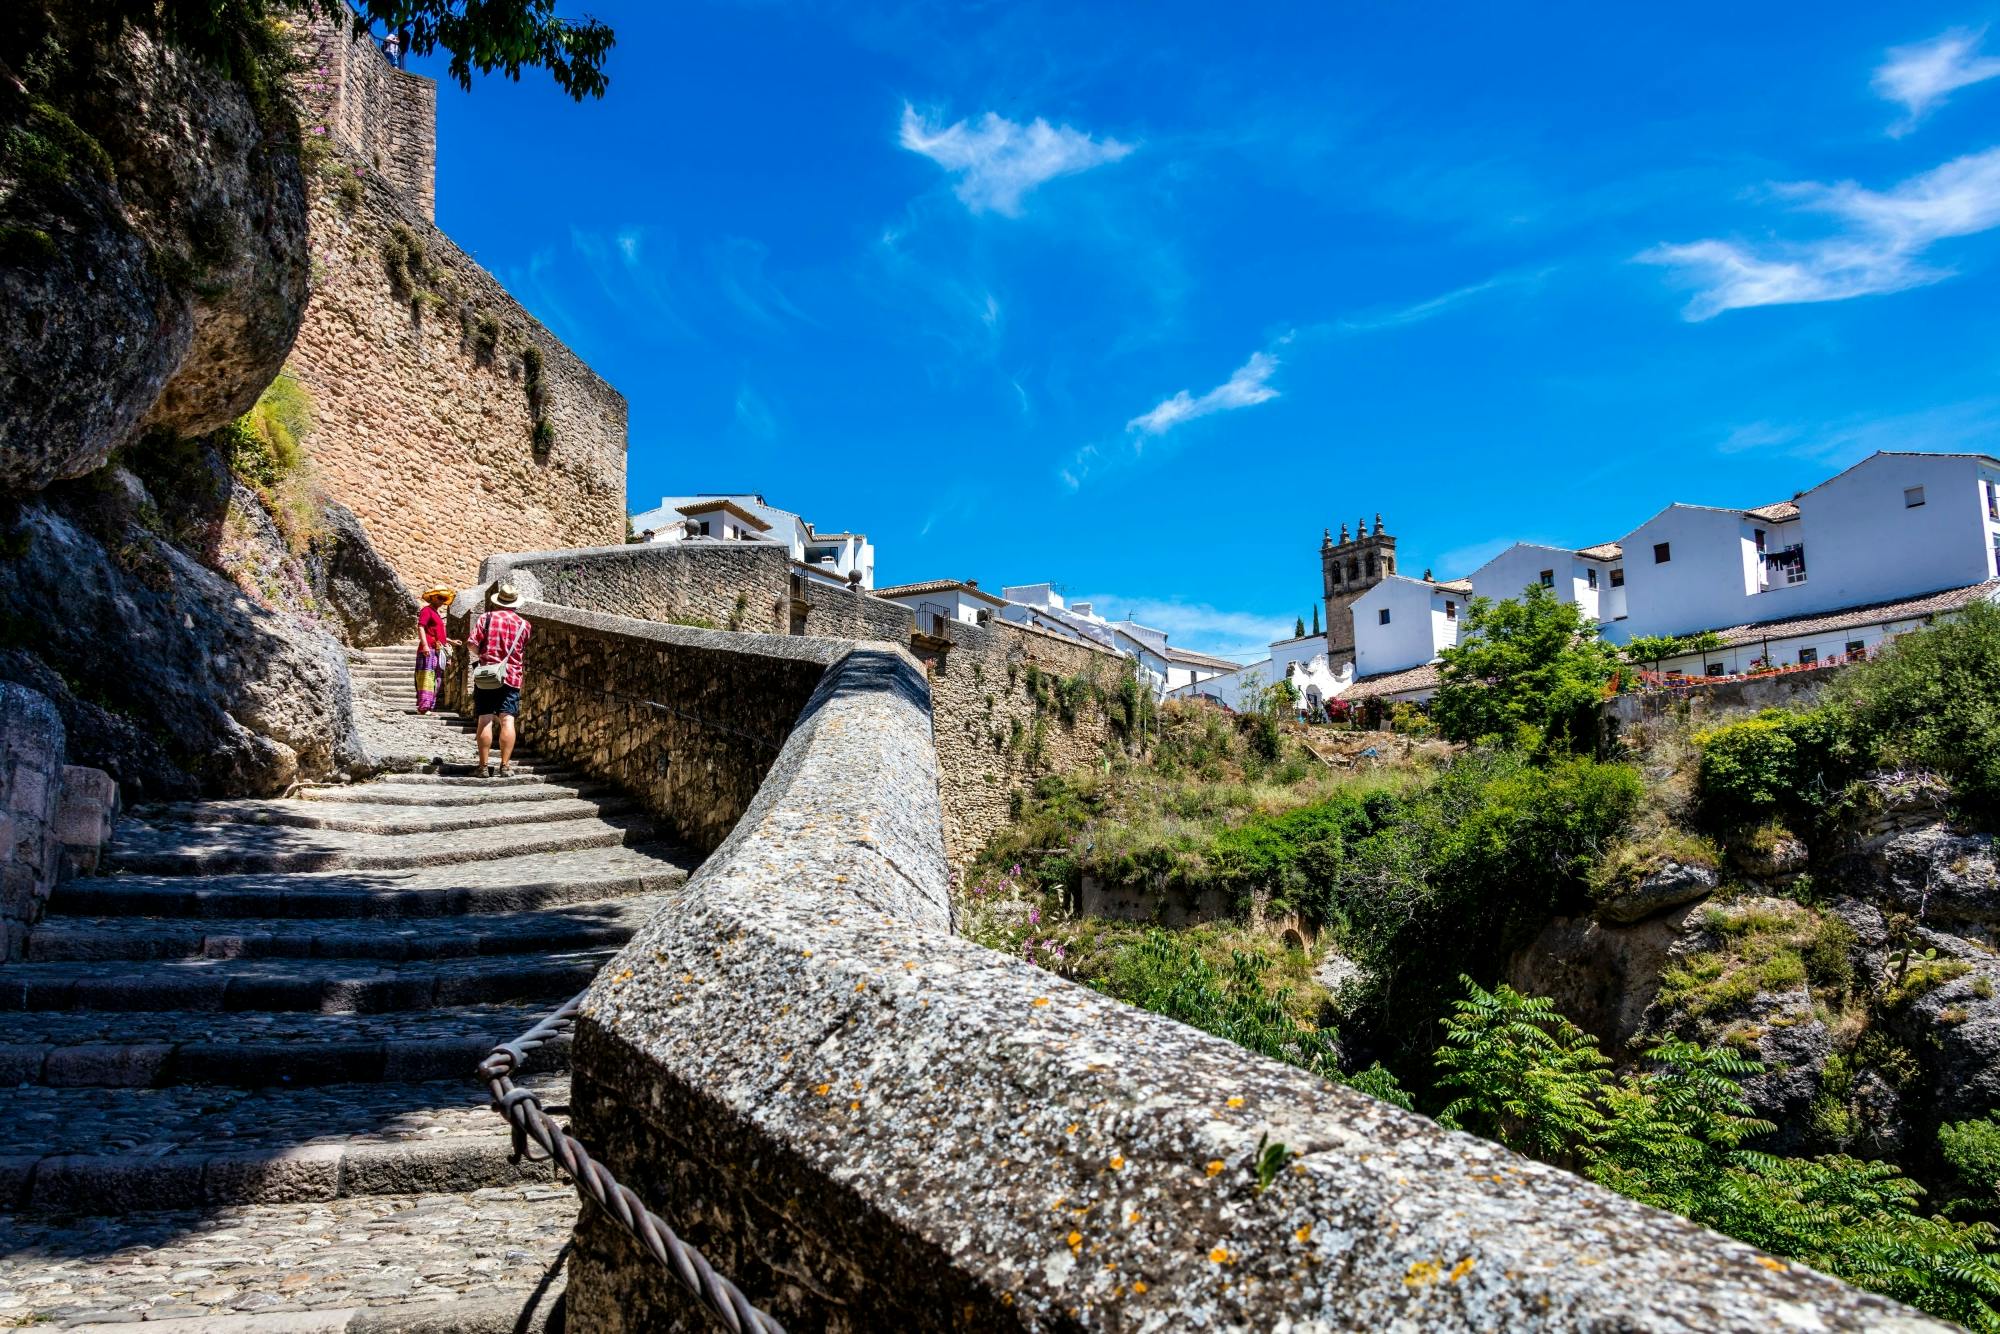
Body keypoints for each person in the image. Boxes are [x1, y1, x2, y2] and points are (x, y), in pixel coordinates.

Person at [468, 582, 532, 778]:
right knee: (507, 720)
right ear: (514, 603)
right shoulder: (524, 625)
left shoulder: (486, 618)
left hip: (487, 675)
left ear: (498, 601)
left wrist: (484, 654)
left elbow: (471, 644)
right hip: (511, 676)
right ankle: (505, 766)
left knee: (485, 719)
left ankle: (483, 767)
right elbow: (521, 648)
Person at [414, 585, 453, 714]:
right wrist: (424, 645)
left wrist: (451, 642)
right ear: (433, 597)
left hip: (437, 649)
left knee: (436, 677)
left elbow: (439, 634)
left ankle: (430, 704)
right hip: (428, 648)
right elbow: (421, 627)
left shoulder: (435, 613)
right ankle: (423, 706)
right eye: (440, 598)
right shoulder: (427, 611)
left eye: (444, 599)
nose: (442, 601)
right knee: (426, 676)